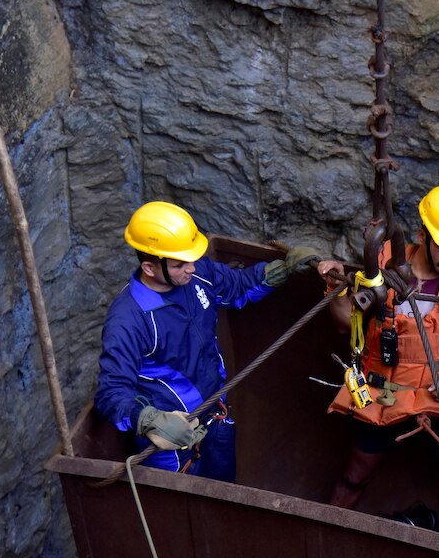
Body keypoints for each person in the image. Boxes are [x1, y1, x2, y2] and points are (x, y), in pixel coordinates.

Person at [95, 199, 339, 480]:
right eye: (179, 264)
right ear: (150, 268)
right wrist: (149, 420)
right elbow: (111, 392)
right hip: (169, 442)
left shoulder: (196, 275)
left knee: (223, 490)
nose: (191, 268)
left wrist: (281, 270)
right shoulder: (129, 319)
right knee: (182, 511)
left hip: (216, 415)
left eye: (190, 259)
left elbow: (237, 287)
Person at [325, 184, 439, 539]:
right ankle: (324, 540)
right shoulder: (381, 270)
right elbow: (344, 325)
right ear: (423, 234)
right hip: (382, 393)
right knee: (354, 476)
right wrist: (335, 289)